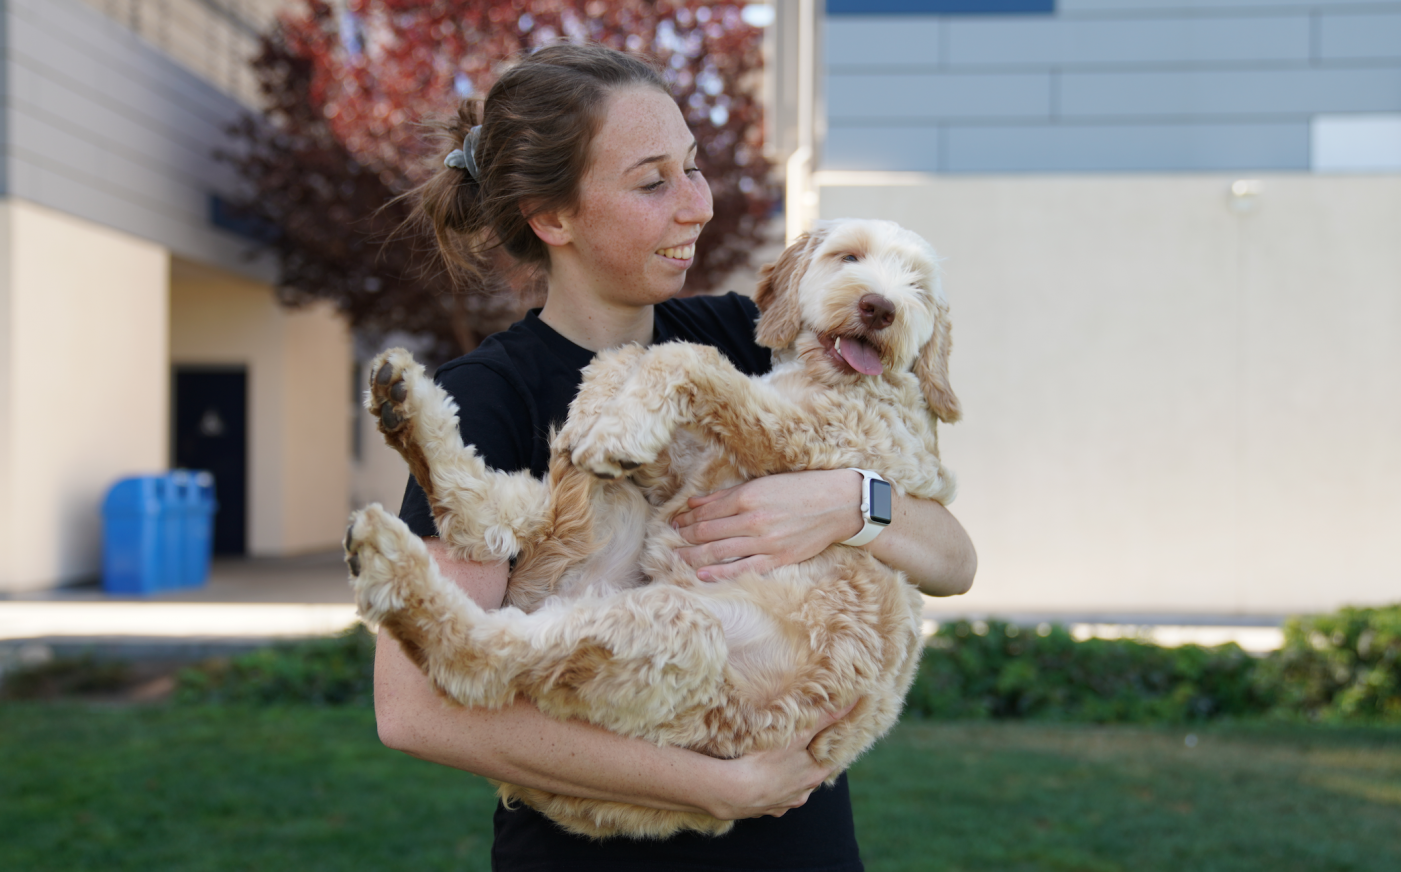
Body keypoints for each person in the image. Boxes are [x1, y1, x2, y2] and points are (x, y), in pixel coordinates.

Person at [380, 43, 977, 871]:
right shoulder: (491, 395)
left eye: (693, 168)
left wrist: (853, 502)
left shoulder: (742, 337)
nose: (696, 204)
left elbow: (952, 559)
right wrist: (714, 787)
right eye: (652, 181)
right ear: (554, 219)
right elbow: (414, 710)